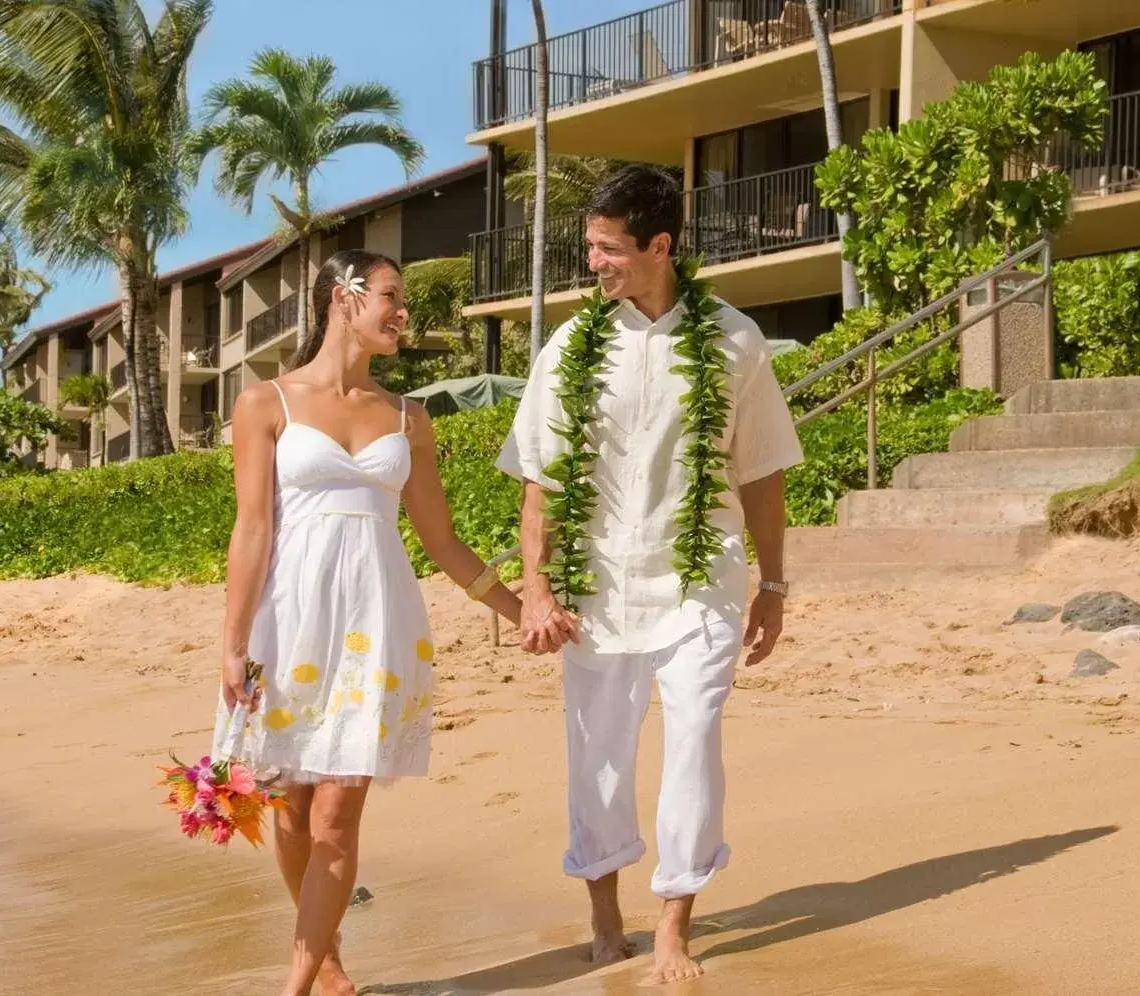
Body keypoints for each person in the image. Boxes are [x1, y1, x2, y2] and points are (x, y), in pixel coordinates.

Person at [498, 165, 803, 985]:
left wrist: (772, 587)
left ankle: (674, 919)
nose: (592, 263)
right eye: (589, 247)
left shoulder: (735, 342)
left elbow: (763, 472)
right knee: (597, 752)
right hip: (596, 588)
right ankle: (605, 913)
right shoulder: (570, 348)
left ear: (659, 245)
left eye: (607, 248)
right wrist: (537, 588)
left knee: (695, 738)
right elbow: (540, 479)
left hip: (699, 582)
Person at [218, 249, 524, 996]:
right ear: (342, 298)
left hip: (375, 623)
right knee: (291, 810)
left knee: (336, 812)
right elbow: (252, 530)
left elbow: (442, 542)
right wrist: (231, 648)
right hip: (289, 621)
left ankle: (293, 984)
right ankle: (328, 962)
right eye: (391, 295)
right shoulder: (266, 404)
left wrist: (520, 609)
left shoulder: (409, 418)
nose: (402, 312)